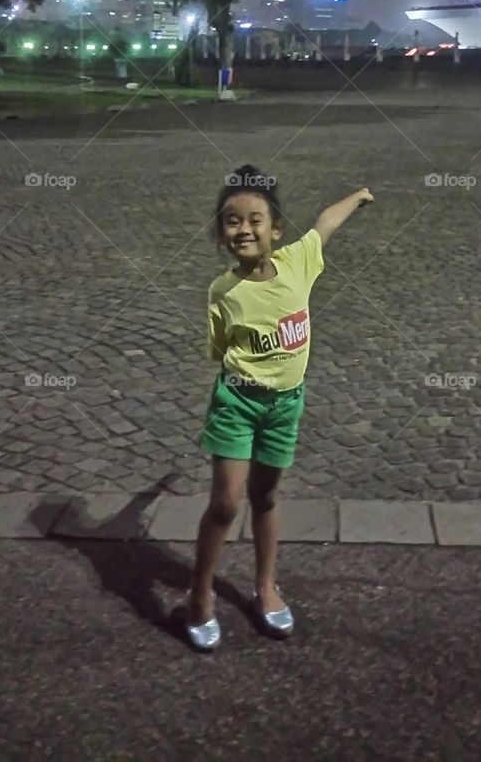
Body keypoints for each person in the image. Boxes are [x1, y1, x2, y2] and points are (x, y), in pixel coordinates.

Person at [186, 164, 374, 651]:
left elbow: (326, 223)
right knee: (225, 504)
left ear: (276, 230)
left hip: (286, 406)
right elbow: (219, 349)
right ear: (221, 231)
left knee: (265, 498)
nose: (243, 229)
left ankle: (266, 586)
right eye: (231, 220)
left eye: (255, 220)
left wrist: (357, 196)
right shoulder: (222, 292)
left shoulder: (298, 262)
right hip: (236, 402)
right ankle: (200, 593)